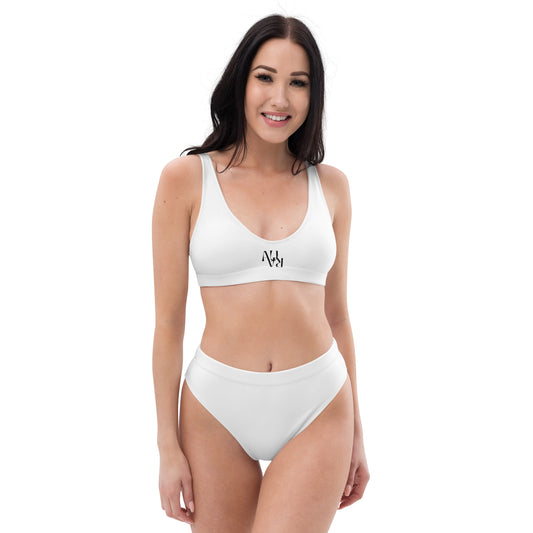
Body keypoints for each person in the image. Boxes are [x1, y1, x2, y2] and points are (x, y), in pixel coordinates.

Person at [151, 13, 369, 532]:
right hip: (215, 408)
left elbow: (338, 316)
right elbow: (168, 325)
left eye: (299, 82)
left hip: (318, 404)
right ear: (241, 82)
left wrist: (358, 432)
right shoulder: (186, 179)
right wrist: (166, 448)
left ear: (313, 95)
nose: (280, 98)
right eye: (265, 77)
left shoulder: (332, 187)